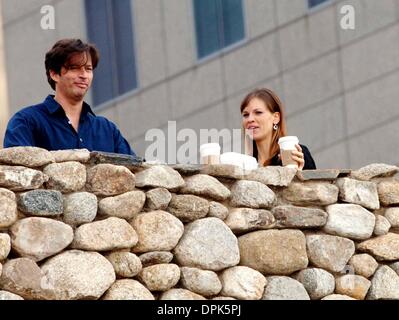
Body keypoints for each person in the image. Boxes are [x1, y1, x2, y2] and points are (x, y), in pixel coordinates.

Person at [3, 38, 136, 156]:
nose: (84, 75)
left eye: (88, 69)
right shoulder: (27, 121)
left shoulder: (107, 129)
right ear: (54, 74)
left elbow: (137, 170)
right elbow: (17, 170)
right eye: (75, 68)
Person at [240, 88, 316, 170]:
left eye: (258, 112)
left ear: (276, 118)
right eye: (245, 115)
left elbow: (319, 183)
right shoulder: (244, 165)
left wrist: (298, 175)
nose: (250, 119)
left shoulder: (296, 154)